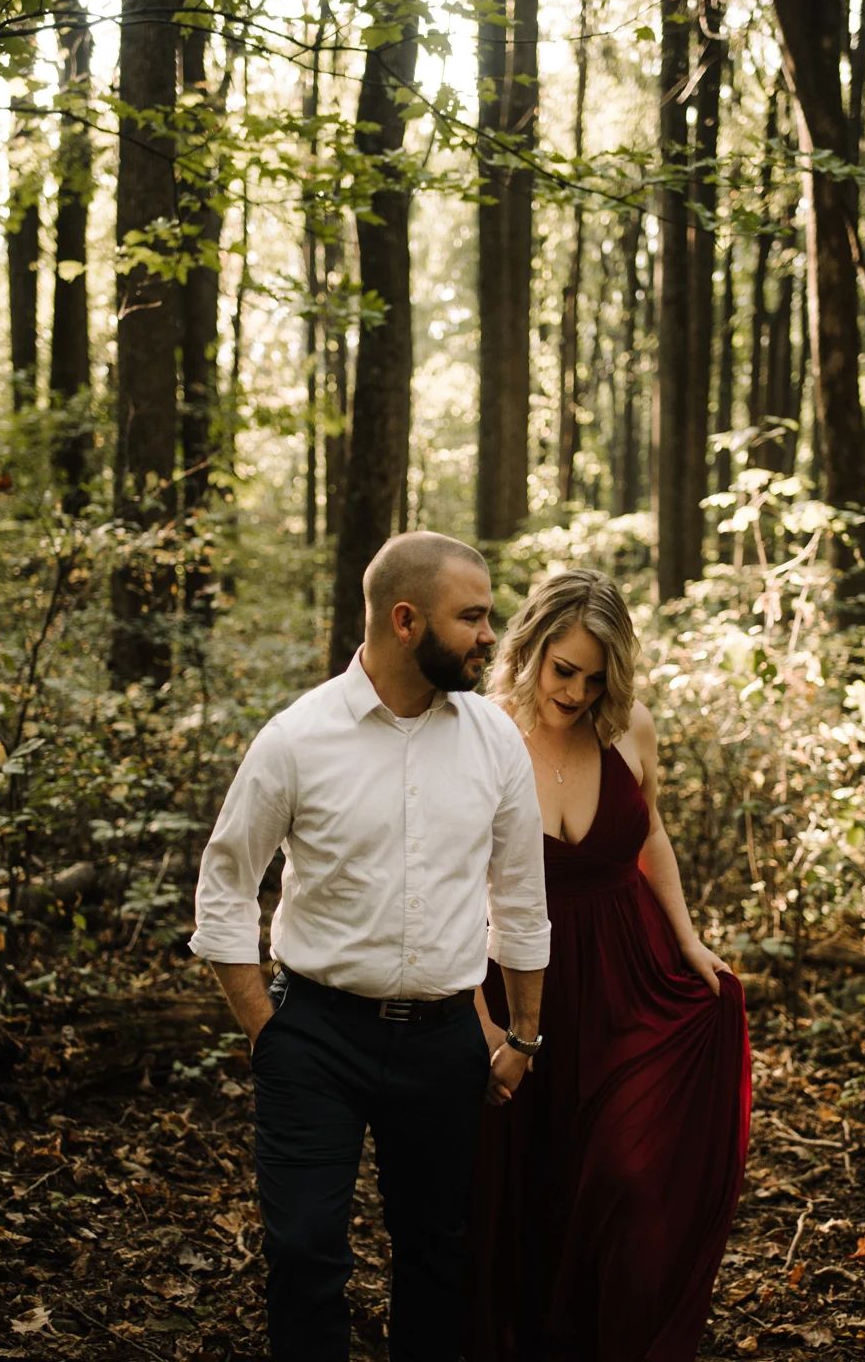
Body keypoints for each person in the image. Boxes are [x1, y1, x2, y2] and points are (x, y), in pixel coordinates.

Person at [191, 531, 551, 1362]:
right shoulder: (295, 738)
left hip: (442, 1045)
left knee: (435, 1255)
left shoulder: (493, 739)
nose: (489, 636)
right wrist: (262, 1027)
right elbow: (223, 884)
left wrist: (523, 1034)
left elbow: (522, 899)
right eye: (472, 617)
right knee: (305, 1252)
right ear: (404, 620)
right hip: (314, 1036)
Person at [469, 567, 751, 1362]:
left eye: (595, 678)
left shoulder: (629, 728)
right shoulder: (481, 732)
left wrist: (688, 939)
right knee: (532, 1184)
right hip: (523, 980)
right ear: (527, 648)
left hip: (629, 974)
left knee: (627, 1173)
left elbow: (648, 832)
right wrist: (484, 1021)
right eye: (564, 670)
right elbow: (449, 881)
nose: (577, 692)